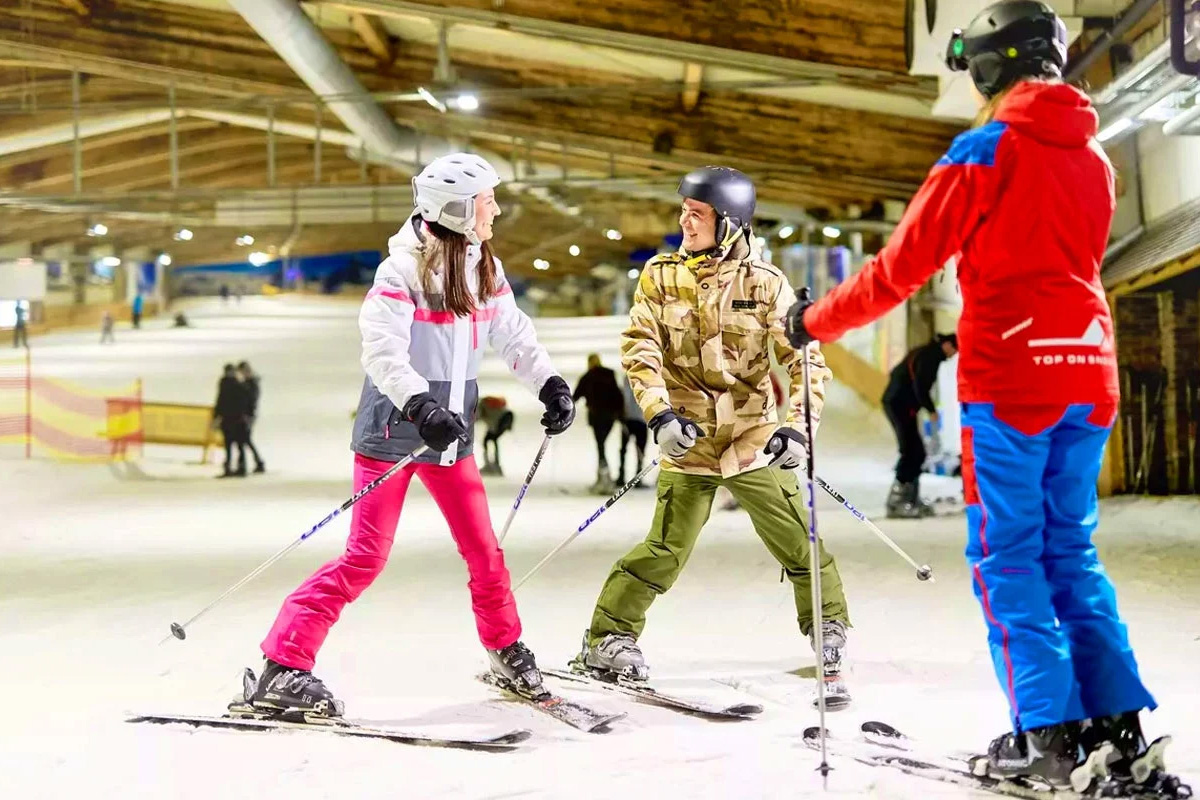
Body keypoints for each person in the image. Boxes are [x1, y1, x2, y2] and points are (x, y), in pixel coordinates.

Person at [785, 3, 1185, 793]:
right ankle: (1116, 725)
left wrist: (812, 322)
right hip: (1088, 369)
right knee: (1070, 551)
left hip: (1013, 377)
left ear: (990, 69)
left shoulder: (983, 151)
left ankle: (1046, 735)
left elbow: (898, 270)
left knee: (1009, 559)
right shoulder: (1095, 158)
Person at [248, 153, 576, 717]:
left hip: (450, 434)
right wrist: (420, 404)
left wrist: (548, 384)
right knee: (365, 558)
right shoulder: (398, 271)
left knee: (484, 552)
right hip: (396, 429)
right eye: (486, 201)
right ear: (454, 210)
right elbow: (382, 350)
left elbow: (514, 335)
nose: (495, 209)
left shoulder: (482, 268)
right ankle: (284, 666)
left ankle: (505, 649)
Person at [576, 166, 852, 702]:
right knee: (665, 548)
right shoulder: (660, 276)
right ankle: (608, 637)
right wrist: (658, 415)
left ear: (728, 222)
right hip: (689, 437)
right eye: (683, 209)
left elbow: (806, 363)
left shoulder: (765, 285)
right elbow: (641, 349)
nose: (684, 219)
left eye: (696, 213)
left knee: (798, 539)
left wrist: (798, 428)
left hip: (752, 437)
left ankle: (829, 627)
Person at [882, 333, 958, 518]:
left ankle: (910, 498)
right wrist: (930, 410)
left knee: (916, 452)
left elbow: (898, 374)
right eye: (954, 350)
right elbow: (920, 387)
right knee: (911, 451)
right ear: (947, 345)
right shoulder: (930, 357)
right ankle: (898, 500)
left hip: (899, 402)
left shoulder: (925, 353)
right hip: (900, 404)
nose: (953, 355)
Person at [572, 354, 625, 494]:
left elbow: (576, 396)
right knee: (602, 444)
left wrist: (562, 408)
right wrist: (620, 413)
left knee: (600, 445)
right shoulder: (609, 374)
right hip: (610, 416)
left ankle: (603, 477)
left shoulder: (587, 376)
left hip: (597, 417)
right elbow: (617, 394)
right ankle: (603, 476)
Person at [213, 363, 251, 477]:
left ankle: (229, 467)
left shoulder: (225, 384)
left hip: (229, 419)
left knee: (229, 445)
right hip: (237, 419)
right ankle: (241, 467)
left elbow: (220, 401)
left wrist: (216, 417)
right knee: (238, 445)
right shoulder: (239, 385)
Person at [616, 373, 648, 487]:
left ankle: (622, 475)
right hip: (639, 419)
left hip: (629, 419)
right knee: (640, 449)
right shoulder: (647, 377)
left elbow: (624, 395)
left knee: (624, 449)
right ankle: (637, 477)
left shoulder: (627, 377)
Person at [237, 361, 266, 474]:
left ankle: (258, 462)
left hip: (248, 415)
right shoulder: (251, 382)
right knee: (246, 439)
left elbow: (251, 400)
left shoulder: (251, 383)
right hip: (249, 414)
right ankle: (258, 462)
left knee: (245, 439)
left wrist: (247, 414)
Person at [477, 395, 514, 476]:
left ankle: (492, 465)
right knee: (490, 440)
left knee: (489, 440)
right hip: (506, 417)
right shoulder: (482, 403)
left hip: (502, 421)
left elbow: (477, 417)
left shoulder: (479, 405)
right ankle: (492, 464)